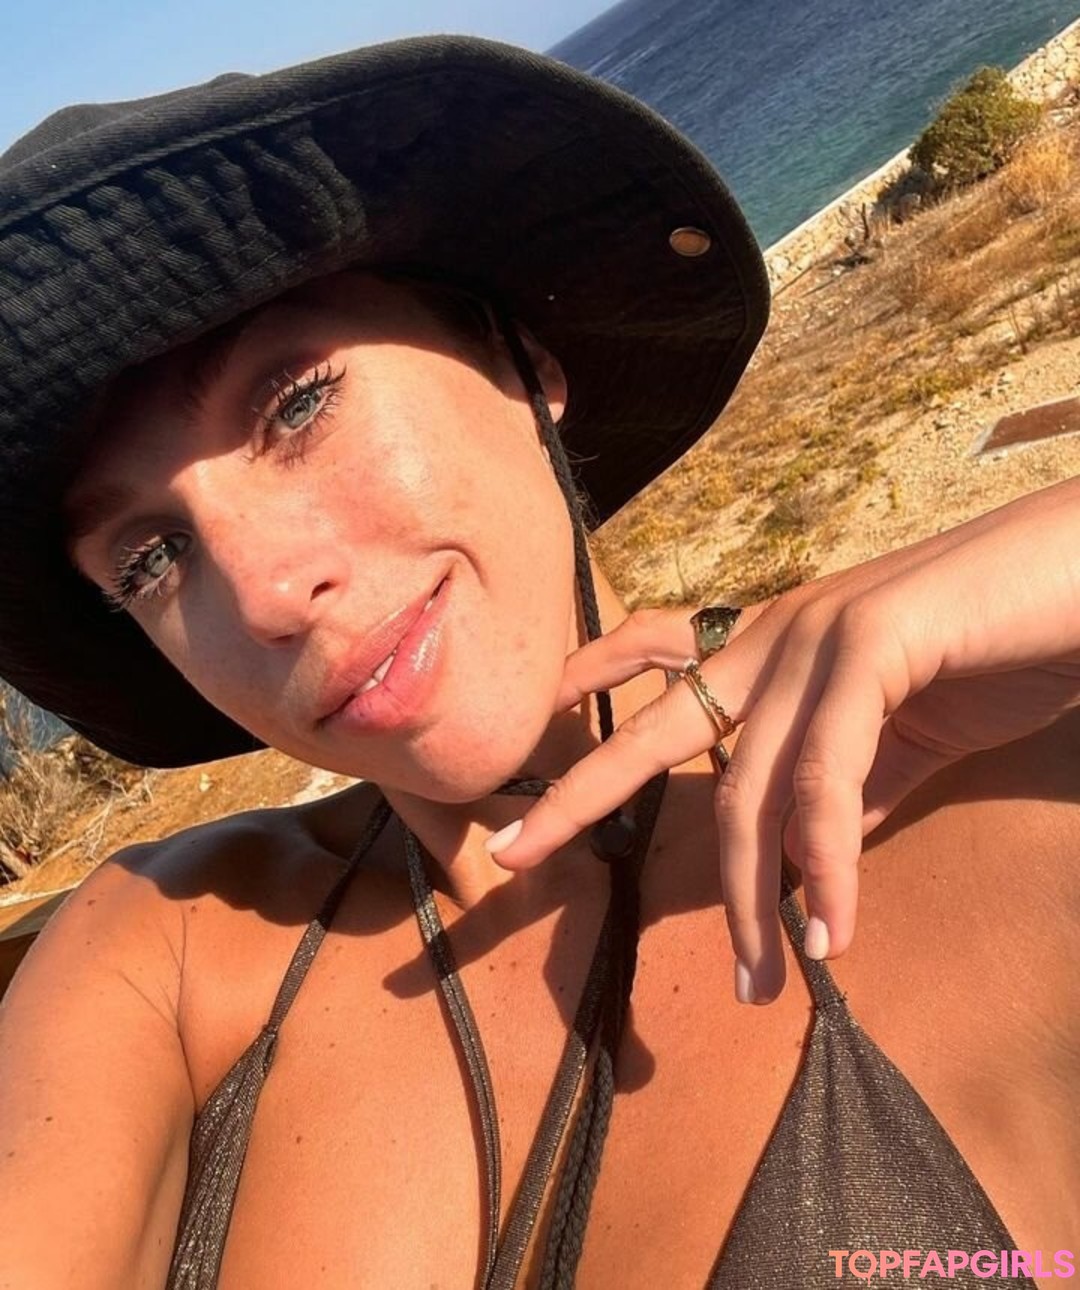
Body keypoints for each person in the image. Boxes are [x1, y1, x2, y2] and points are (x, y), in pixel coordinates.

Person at [0, 34, 1076, 1290]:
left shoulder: (1009, 802)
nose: (267, 597)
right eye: (149, 558)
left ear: (529, 368)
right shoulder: (169, 954)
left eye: (294, 405)